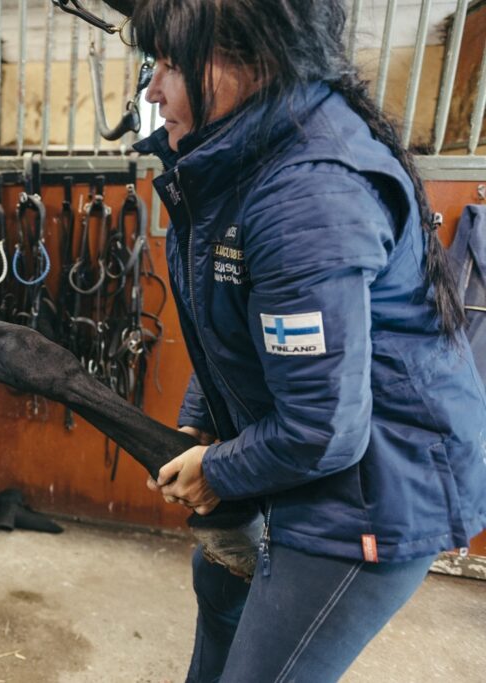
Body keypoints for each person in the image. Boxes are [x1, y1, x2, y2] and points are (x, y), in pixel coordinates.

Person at [130, 1, 486, 681]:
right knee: (219, 598)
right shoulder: (238, 159)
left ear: (253, 60)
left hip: (369, 493)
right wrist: (201, 421)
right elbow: (226, 318)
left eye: (173, 64)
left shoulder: (305, 197)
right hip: (307, 461)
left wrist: (219, 469)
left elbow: (324, 428)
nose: (153, 90)